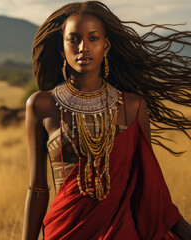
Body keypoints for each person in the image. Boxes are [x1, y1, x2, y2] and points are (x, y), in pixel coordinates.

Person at [22, 1, 191, 239]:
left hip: (120, 232)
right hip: (64, 231)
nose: (83, 47)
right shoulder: (41, 105)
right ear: (62, 48)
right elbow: (38, 189)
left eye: (93, 38)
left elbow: (149, 187)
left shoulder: (132, 106)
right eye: (73, 39)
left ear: (106, 45)